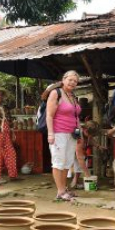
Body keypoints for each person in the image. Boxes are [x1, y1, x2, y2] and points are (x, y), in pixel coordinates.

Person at [46, 70, 82, 201]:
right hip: (58, 132)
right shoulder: (56, 93)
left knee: (67, 162)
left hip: (71, 133)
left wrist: (79, 134)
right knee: (58, 162)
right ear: (64, 79)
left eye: (75, 81)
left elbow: (76, 117)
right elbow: (49, 115)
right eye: (70, 80)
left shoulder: (72, 96)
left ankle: (64, 189)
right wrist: (50, 133)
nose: (72, 83)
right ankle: (60, 191)